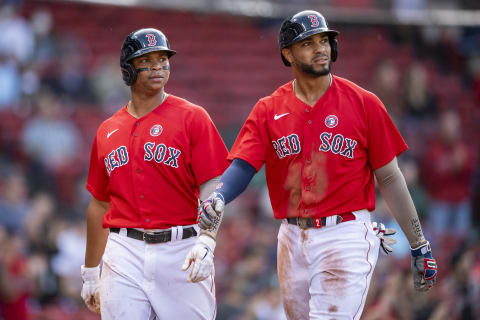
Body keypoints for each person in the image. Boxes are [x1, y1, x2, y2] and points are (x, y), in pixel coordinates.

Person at [188, 10, 437, 320]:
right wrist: (220, 195)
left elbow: (390, 177)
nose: (320, 48)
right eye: (308, 43)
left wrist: (419, 244)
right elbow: (243, 165)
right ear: (287, 53)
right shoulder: (269, 109)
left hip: (344, 234)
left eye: (324, 40)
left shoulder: (364, 103)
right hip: (291, 239)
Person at [80, 28, 228, 319]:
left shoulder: (192, 117)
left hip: (181, 249)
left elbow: (213, 184)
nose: (158, 66)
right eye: (146, 60)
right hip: (124, 250)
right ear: (128, 69)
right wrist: (89, 271)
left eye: (163, 59)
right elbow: (99, 204)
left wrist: (207, 240)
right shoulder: (107, 130)